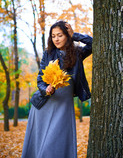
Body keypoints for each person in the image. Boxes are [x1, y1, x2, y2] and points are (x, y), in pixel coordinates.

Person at [21, 20, 92, 158]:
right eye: (53, 36)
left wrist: (75, 35)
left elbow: (93, 43)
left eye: (60, 35)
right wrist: (45, 89)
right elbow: (40, 79)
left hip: (64, 104)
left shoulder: (77, 53)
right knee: (43, 144)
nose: (56, 39)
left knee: (57, 141)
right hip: (45, 103)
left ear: (67, 35)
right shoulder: (48, 54)